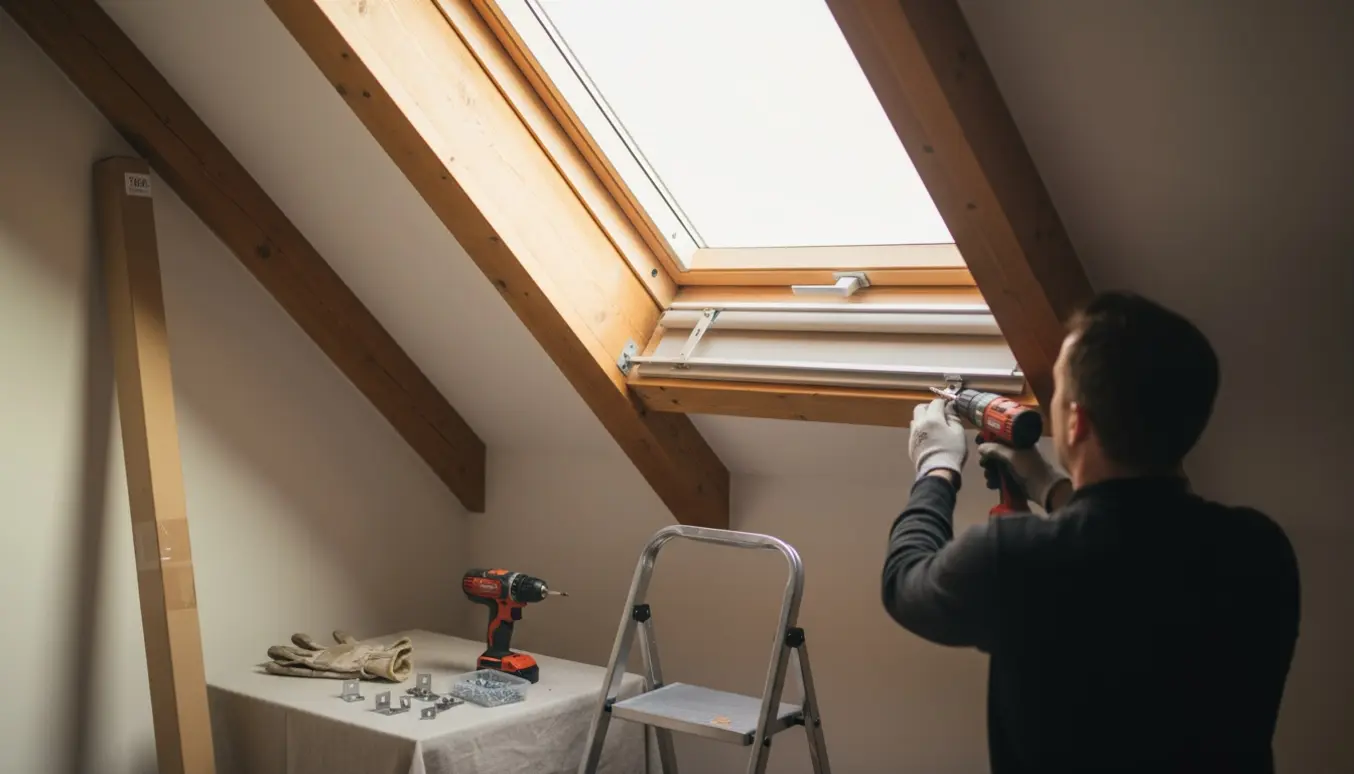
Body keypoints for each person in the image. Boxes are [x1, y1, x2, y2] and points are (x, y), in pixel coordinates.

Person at [883, 291, 1300, 774]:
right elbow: (1138, 544)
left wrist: (935, 467)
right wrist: (1054, 489)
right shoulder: (1259, 548)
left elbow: (904, 583)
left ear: (1076, 421)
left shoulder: (1017, 559)